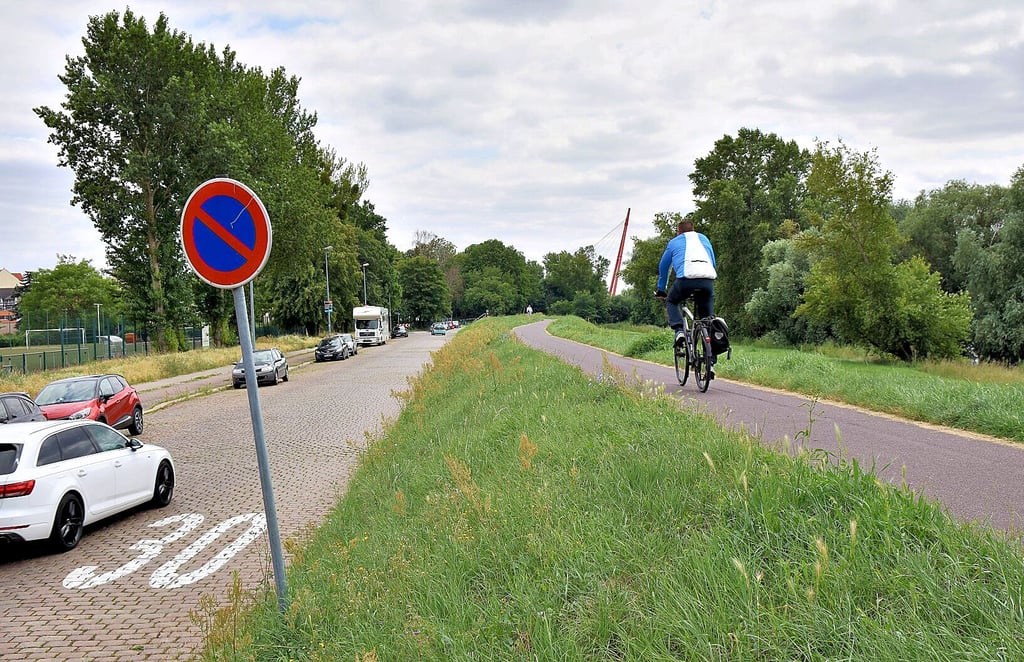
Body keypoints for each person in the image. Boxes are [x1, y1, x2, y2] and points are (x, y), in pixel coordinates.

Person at [655, 217, 717, 353]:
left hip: (685, 280)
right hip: (707, 280)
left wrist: (661, 289)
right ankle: (711, 362)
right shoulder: (704, 239)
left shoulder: (674, 242)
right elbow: (712, 262)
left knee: (672, 301)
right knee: (708, 320)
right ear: (693, 229)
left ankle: (679, 331)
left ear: (678, 232)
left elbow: (664, 267)